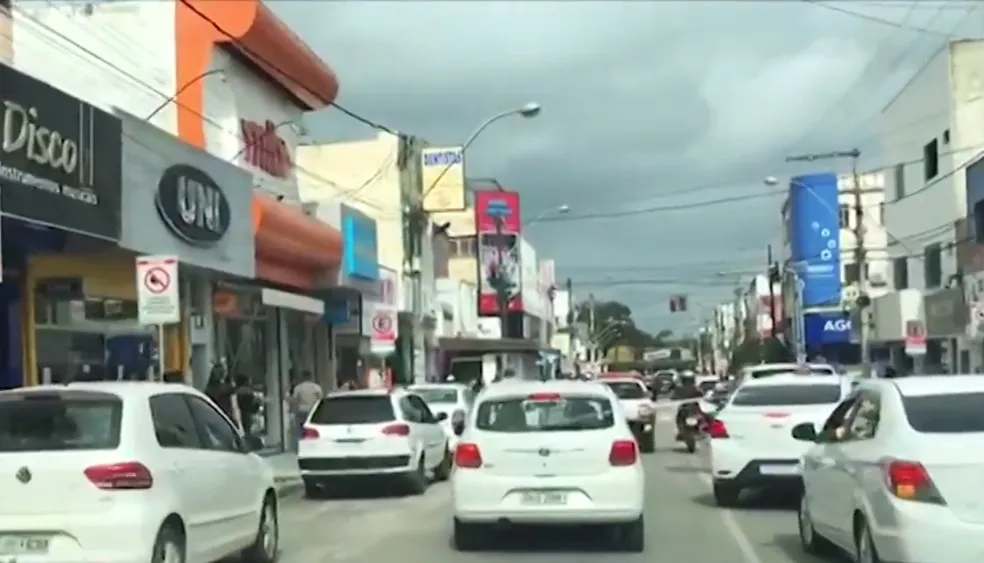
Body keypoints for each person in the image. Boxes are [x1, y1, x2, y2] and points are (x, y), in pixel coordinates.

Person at [290, 371, 323, 442]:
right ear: (311, 377)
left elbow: (295, 400)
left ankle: (300, 443)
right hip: (313, 411)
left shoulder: (298, 387)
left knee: (299, 429)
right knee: (312, 427)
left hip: (302, 410)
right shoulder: (316, 387)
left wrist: (292, 411)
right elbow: (320, 399)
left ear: (303, 377)